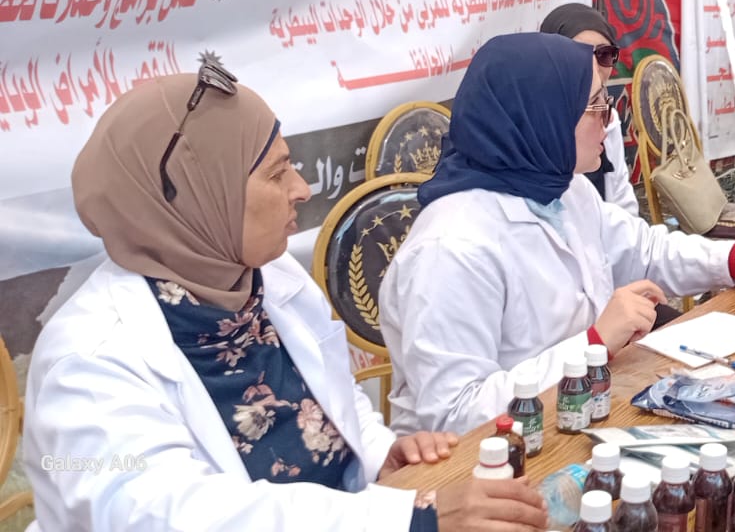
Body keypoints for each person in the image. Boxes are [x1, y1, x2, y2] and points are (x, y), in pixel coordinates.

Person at [25, 64, 547, 530]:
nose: (302, 189)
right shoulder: (87, 361)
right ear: (195, 198)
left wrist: (376, 455)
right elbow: (161, 514)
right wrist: (405, 517)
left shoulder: (269, 279)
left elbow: (335, 399)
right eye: (276, 173)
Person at [381, 33, 735, 435]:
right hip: (481, 464)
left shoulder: (562, 189)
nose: (609, 123)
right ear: (542, 116)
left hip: (575, 414)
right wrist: (592, 344)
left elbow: (645, 251)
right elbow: (454, 413)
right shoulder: (452, 248)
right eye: (595, 107)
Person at [539, 2, 640, 215]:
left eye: (604, 54)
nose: (592, 66)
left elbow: (622, 200)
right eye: (579, 55)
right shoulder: (538, 129)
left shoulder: (607, 116)